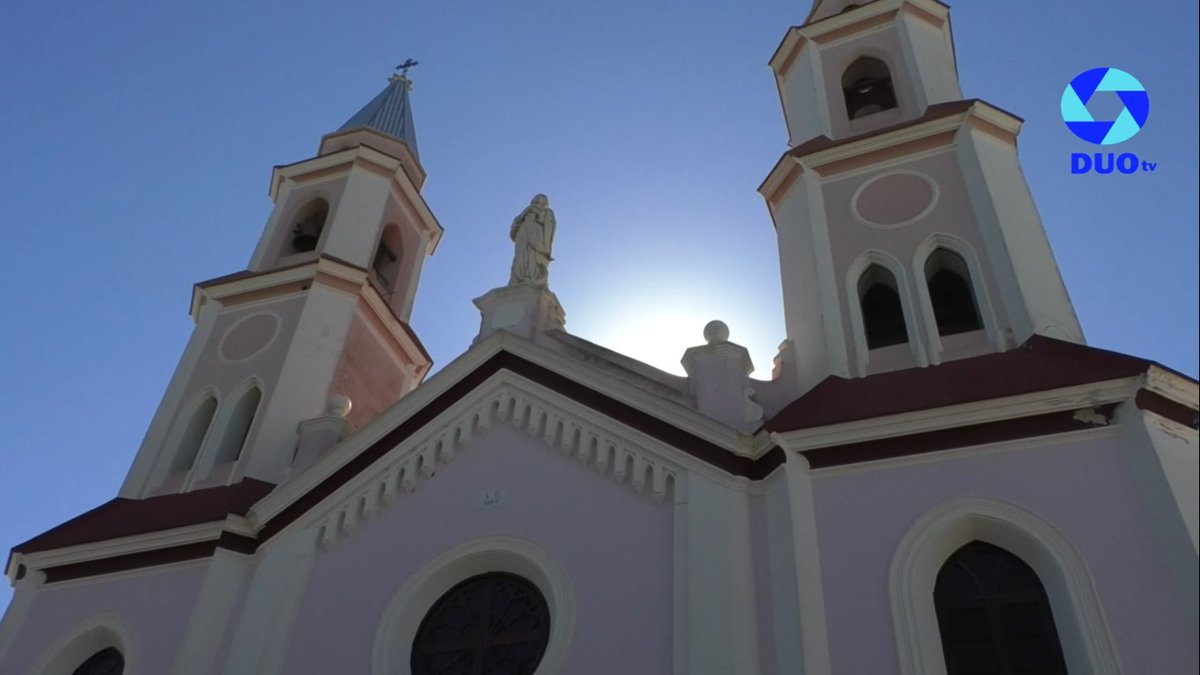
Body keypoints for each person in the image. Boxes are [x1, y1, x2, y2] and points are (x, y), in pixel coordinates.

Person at [508, 194, 556, 287]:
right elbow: (514, 227)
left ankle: (533, 277)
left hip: (537, 238)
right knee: (520, 257)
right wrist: (525, 214)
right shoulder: (526, 211)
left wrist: (538, 215)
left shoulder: (547, 212)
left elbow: (549, 227)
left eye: (540, 198)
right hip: (523, 237)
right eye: (536, 198)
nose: (537, 199)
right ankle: (518, 278)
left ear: (545, 202)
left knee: (533, 258)